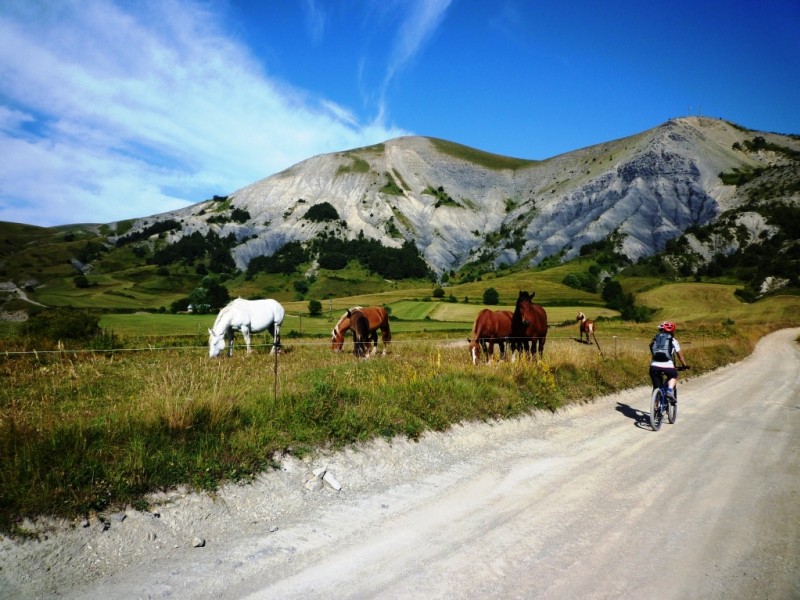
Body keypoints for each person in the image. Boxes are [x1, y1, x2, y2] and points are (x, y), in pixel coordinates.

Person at [649, 321, 688, 403]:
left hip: (654, 366)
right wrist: (684, 365)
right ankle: (669, 390)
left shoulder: (655, 339)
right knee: (674, 375)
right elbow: (680, 356)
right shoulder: (673, 341)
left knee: (656, 387)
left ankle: (655, 406)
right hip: (668, 366)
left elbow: (652, 350)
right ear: (673, 331)